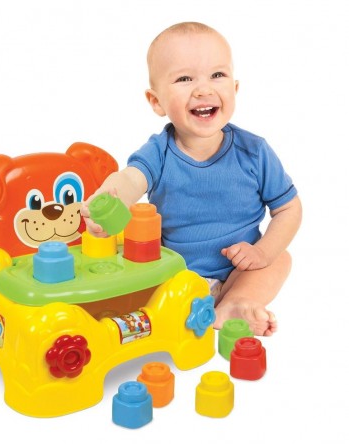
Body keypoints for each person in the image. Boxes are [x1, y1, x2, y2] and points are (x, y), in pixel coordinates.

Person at [81, 22, 302, 336]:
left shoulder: (254, 152)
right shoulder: (159, 151)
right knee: (138, 278)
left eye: (217, 75)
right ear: (156, 101)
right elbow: (131, 179)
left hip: (240, 271)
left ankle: (235, 303)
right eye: (185, 79)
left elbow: (289, 209)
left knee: (280, 259)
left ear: (235, 89)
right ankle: (184, 310)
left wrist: (262, 252)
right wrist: (110, 197)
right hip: (176, 274)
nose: (203, 89)